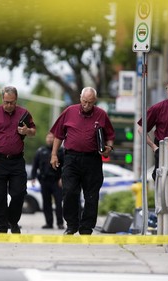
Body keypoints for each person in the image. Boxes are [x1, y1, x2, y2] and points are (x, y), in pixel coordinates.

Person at [50, 87, 115, 235]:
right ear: (80, 98)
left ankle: (86, 227)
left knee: (91, 195)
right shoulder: (69, 111)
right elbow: (58, 135)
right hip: (71, 159)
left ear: (95, 101)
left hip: (92, 159)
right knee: (69, 192)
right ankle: (71, 225)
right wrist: (54, 154)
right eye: (84, 101)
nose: (86, 105)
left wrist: (108, 148)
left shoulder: (101, 115)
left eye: (90, 103)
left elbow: (110, 135)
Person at [0, 85, 36, 234]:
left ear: (16, 100)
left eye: (12, 102)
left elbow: (34, 131)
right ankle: (2, 227)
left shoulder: (24, 114)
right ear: (2, 99)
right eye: (6, 102)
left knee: (19, 193)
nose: (9, 105)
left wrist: (26, 131)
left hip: (16, 161)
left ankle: (13, 221)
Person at [137, 78, 168, 181]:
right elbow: (141, 128)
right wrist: (154, 147)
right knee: (160, 179)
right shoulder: (158, 108)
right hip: (162, 150)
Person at [31, 132, 64, 230]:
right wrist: (33, 177)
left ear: (55, 139)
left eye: (51, 137)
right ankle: (49, 223)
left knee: (58, 203)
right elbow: (35, 165)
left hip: (56, 181)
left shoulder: (61, 151)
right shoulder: (40, 151)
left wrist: (62, 178)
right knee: (46, 203)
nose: (49, 139)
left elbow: (65, 166)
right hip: (44, 181)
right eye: (48, 137)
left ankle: (60, 223)